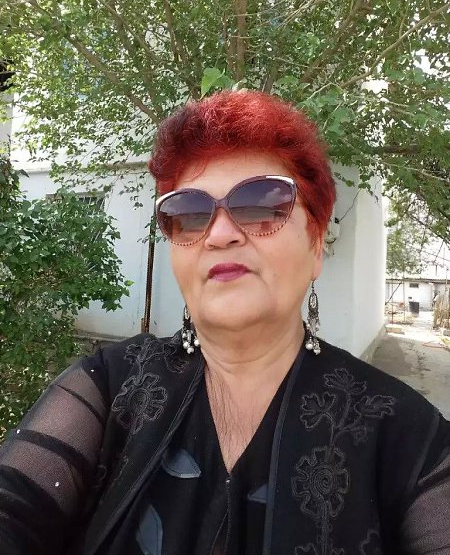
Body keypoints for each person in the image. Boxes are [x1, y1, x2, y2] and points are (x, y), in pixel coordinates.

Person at [0, 90, 449, 555]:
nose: (218, 234)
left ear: (316, 244)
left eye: (262, 204)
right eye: (188, 214)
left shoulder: (408, 437)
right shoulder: (105, 388)